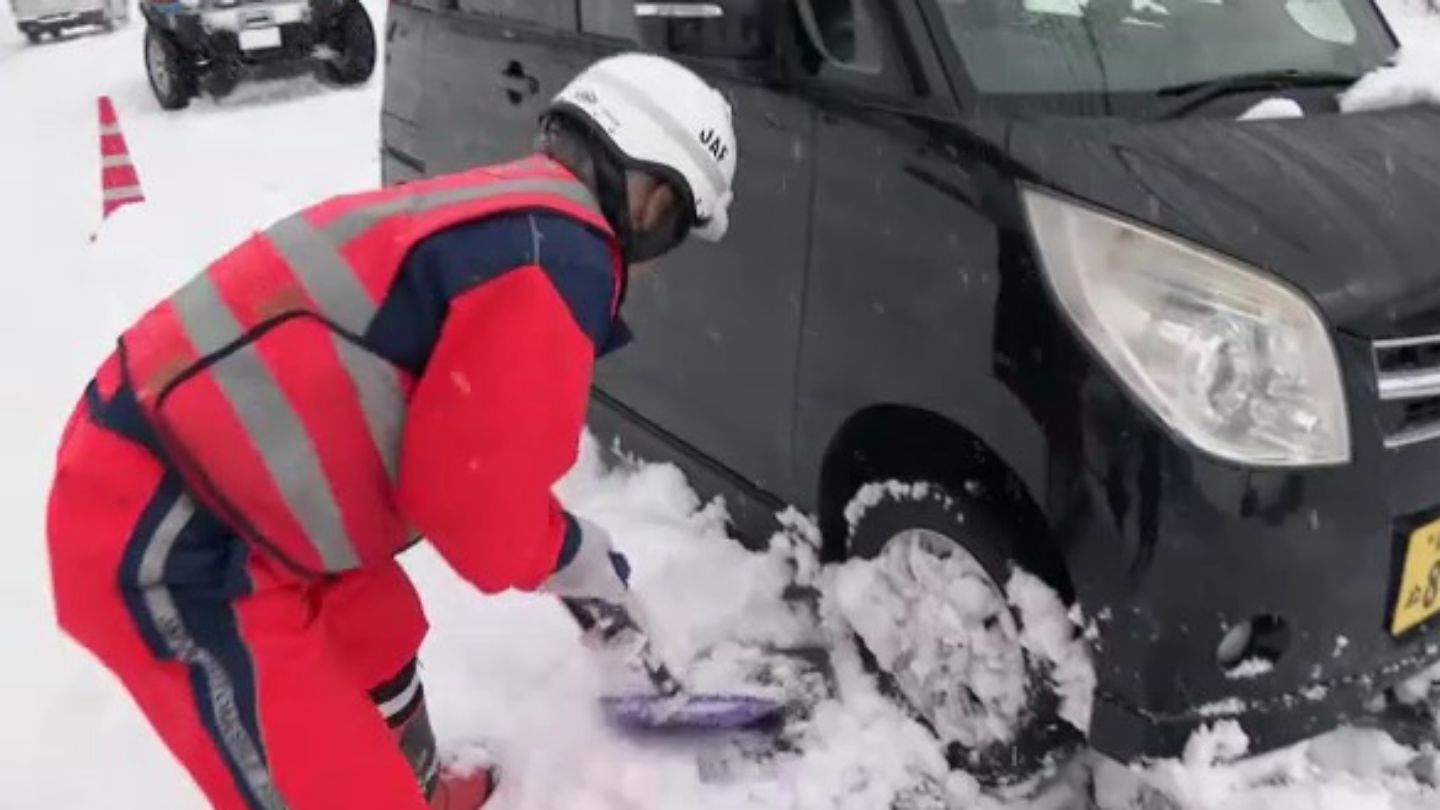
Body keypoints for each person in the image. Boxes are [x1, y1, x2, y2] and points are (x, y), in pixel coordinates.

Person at [45, 52, 737, 810]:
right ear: (650, 196)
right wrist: (571, 557)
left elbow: (475, 450)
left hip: (245, 483)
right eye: (671, 227)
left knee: (375, 628)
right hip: (168, 529)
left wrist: (564, 551)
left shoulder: (516, 215)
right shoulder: (559, 258)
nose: (654, 261)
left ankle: (418, 787)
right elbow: (474, 511)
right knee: (330, 790)